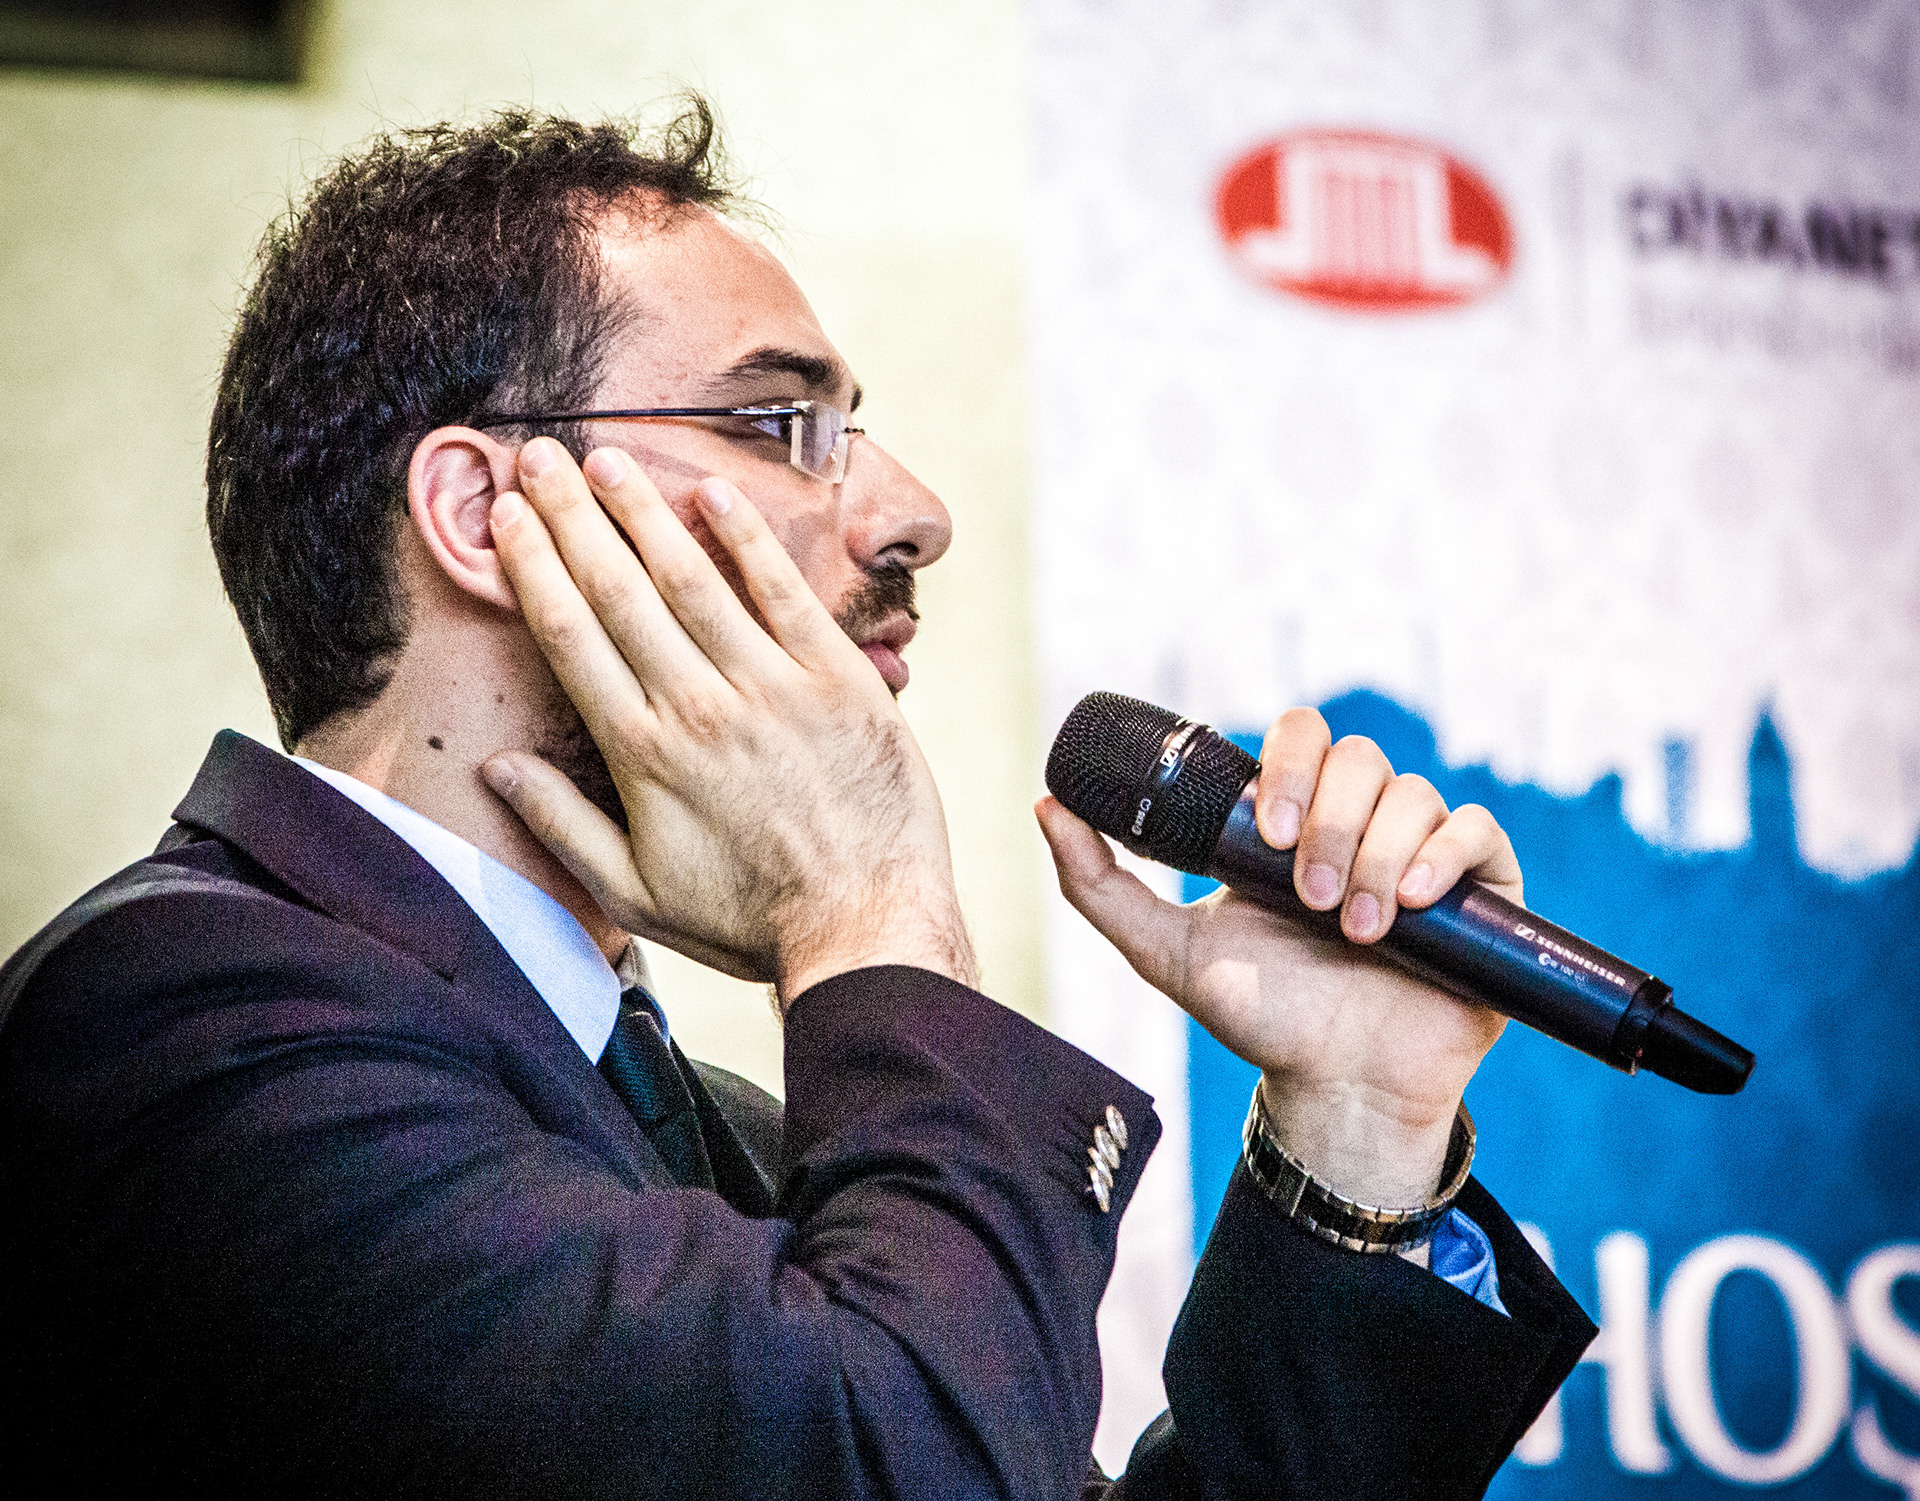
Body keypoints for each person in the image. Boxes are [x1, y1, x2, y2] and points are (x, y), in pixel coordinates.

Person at [0, 103, 1593, 1498]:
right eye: (780, 423)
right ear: (484, 514)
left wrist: (1357, 1132)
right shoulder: (170, 1027)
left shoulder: (740, 1144)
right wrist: (871, 904)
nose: (914, 512)